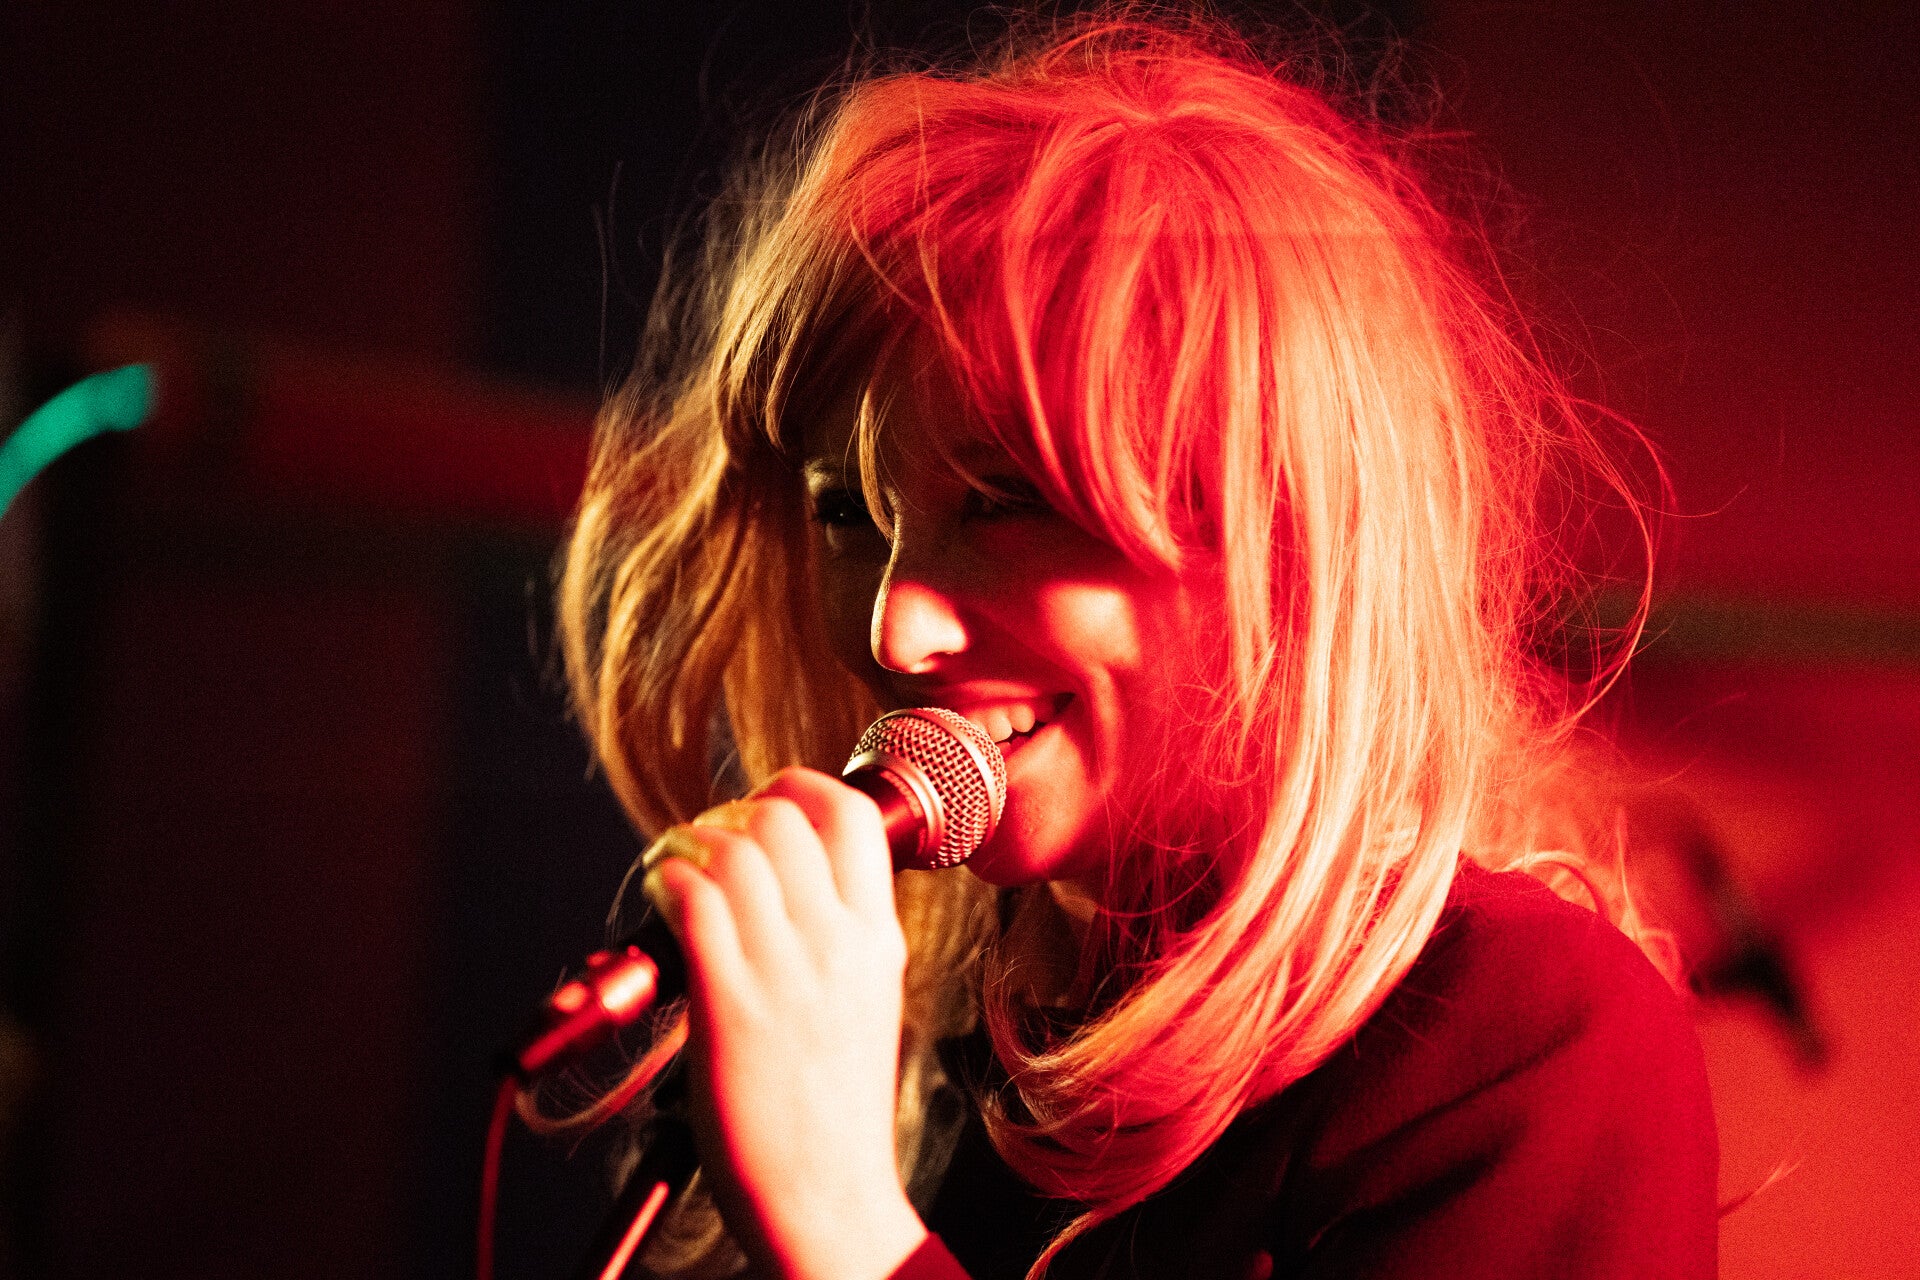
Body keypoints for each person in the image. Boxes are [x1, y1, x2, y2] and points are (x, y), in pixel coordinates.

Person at [554, 10, 1718, 1279]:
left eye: (1006, 502)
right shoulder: (958, 1046)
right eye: (849, 513)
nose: (895, 624)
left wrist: (840, 1222)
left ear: (1284, 540)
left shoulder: (1519, 1046)